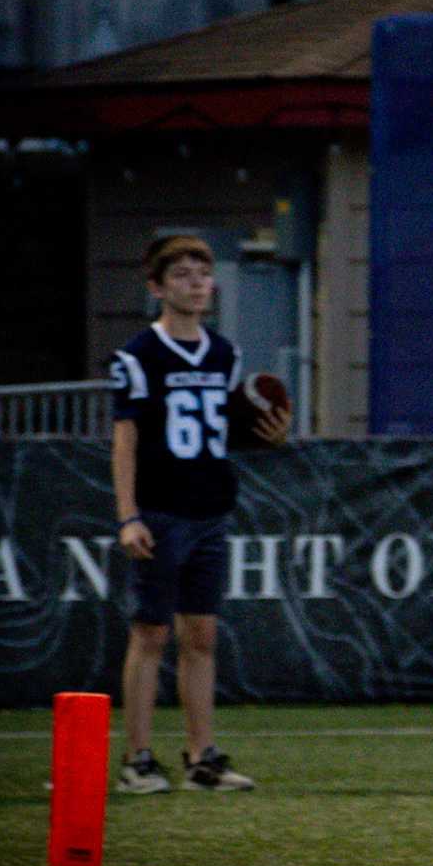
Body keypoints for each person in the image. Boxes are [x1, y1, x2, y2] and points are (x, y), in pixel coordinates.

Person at [111, 234, 290, 793]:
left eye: (203, 273)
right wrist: (129, 516)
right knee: (151, 633)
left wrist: (268, 437)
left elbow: (217, 434)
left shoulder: (223, 353)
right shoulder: (138, 355)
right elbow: (125, 440)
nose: (197, 284)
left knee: (203, 636)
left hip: (211, 507)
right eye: (183, 275)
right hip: (161, 510)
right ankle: (137, 759)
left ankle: (201, 757)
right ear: (156, 287)